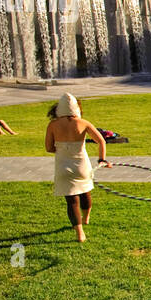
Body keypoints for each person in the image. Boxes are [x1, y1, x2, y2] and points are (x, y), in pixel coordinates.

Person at [45, 93, 109, 243]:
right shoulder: (83, 123)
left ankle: (80, 233)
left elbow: (48, 147)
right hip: (82, 165)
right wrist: (102, 159)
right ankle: (86, 218)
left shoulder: (53, 125)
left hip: (63, 166)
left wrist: (61, 150)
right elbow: (101, 141)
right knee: (85, 192)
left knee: (72, 201)